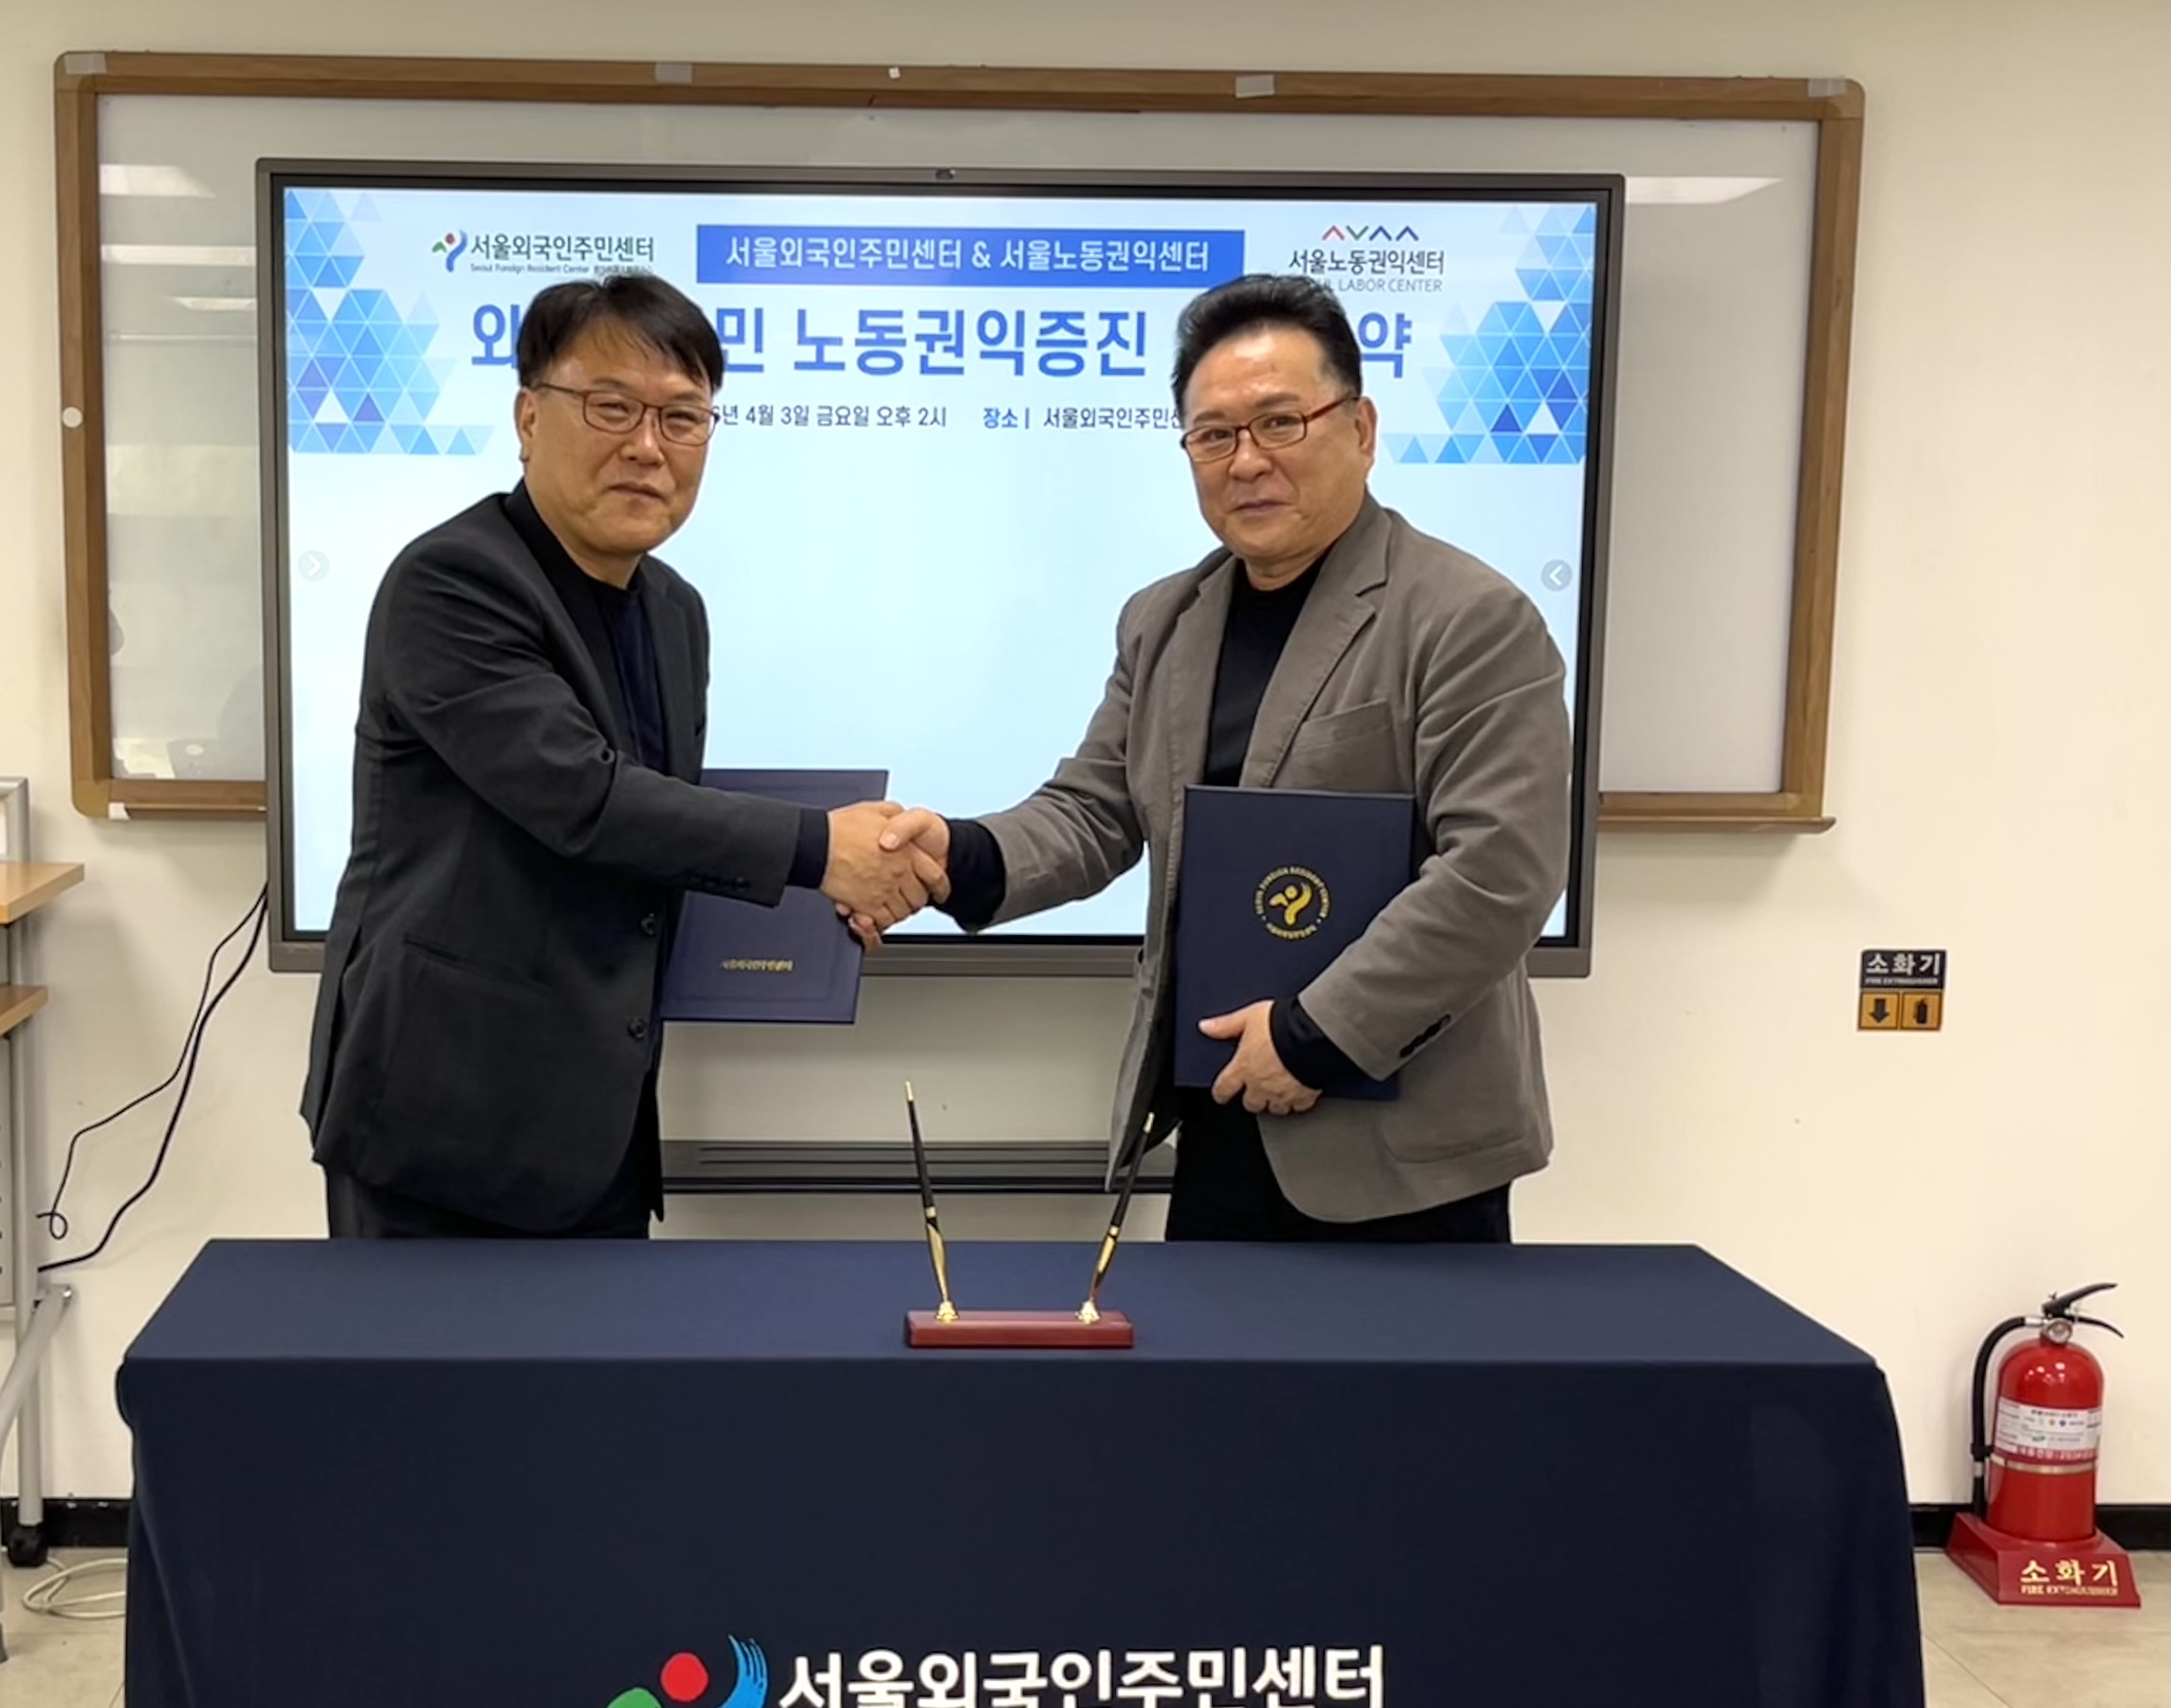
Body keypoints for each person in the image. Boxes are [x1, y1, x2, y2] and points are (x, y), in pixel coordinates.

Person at [872, 274, 1571, 1243]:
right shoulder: (1166, 618)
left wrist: (1313, 1036)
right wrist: (955, 854)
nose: (1245, 461)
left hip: (1399, 1149)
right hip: (1218, 1106)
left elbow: (1499, 871)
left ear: (1361, 428)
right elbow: (1093, 810)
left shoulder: (1467, 617)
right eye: (1213, 435)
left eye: (1279, 422)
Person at [304, 272, 938, 1239]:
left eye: (682, 417)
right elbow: (586, 801)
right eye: (611, 407)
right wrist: (819, 851)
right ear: (528, 417)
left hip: (597, 1120)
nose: (648, 446)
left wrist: (828, 897)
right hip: (441, 1118)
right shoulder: (454, 580)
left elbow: (654, 834)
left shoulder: (674, 608)